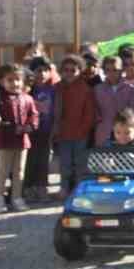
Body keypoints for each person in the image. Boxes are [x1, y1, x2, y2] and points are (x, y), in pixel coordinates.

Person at [0, 64, 40, 213]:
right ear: (2, 82)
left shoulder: (28, 99)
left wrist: (31, 126)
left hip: (22, 140)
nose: (15, 83)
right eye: (10, 80)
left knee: (19, 171)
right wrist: (10, 127)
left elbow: (34, 116)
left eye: (18, 79)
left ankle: (17, 198)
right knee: (3, 170)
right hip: (4, 140)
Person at [53, 54, 96, 196]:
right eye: (66, 70)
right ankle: (64, 187)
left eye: (73, 70)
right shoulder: (58, 88)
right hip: (63, 133)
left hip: (80, 133)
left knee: (79, 164)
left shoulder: (85, 89)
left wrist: (84, 129)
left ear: (80, 71)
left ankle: (79, 188)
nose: (69, 73)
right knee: (64, 164)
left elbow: (89, 113)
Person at [24, 56, 58, 203]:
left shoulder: (54, 89)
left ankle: (42, 188)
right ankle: (28, 188)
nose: (42, 74)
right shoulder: (27, 90)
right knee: (29, 160)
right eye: (38, 70)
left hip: (46, 130)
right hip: (30, 131)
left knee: (44, 160)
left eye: (46, 70)